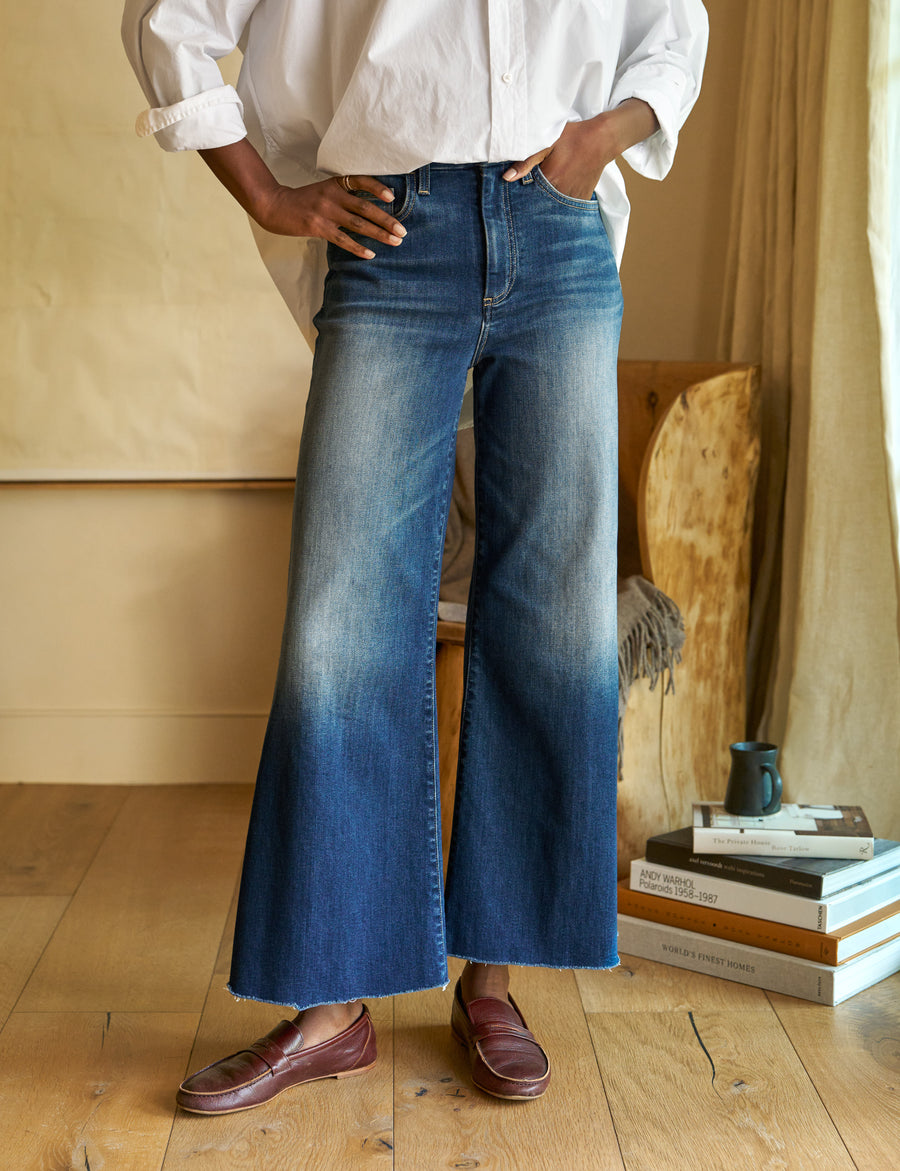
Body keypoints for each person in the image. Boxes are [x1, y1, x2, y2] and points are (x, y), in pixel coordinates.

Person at [122, 0, 708, 1112]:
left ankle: (494, 981)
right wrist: (267, 193)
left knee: (552, 620)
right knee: (340, 629)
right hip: (393, 231)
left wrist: (599, 139)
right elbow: (167, 21)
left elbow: (673, 27)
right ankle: (332, 1007)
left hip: (560, 229)